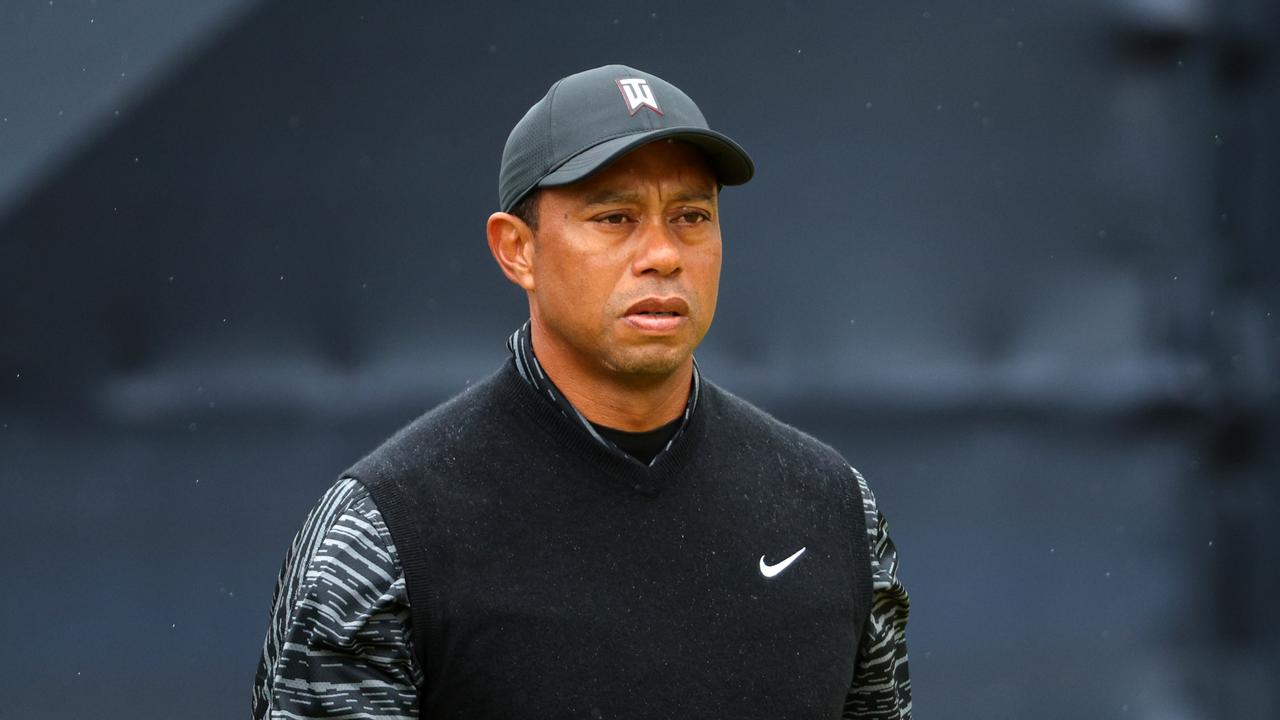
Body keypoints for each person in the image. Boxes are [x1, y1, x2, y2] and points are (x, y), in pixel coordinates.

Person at [253, 64, 911, 719]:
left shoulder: (832, 508)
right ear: (516, 250)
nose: (662, 253)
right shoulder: (390, 530)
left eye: (691, 215)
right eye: (615, 216)